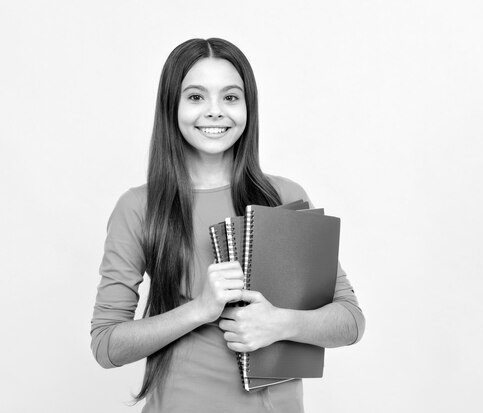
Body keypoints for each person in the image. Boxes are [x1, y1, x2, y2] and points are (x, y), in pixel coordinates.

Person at [90, 38, 365, 412]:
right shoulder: (139, 207)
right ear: (172, 106)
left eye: (231, 98)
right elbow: (107, 345)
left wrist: (280, 324)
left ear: (248, 108)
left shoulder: (282, 197)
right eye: (196, 97)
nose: (215, 111)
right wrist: (200, 309)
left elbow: (349, 320)